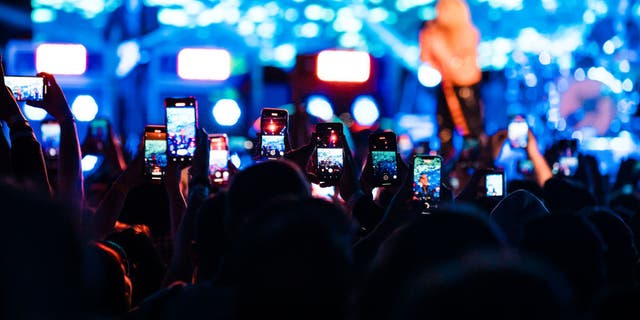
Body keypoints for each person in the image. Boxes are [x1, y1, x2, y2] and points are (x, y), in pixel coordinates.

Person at [419, 0, 485, 163]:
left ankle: (471, 164)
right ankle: (448, 167)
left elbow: (468, 68)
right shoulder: (431, 33)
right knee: (445, 131)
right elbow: (426, 59)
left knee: (471, 131)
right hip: (445, 87)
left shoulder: (468, 33)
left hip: (466, 86)